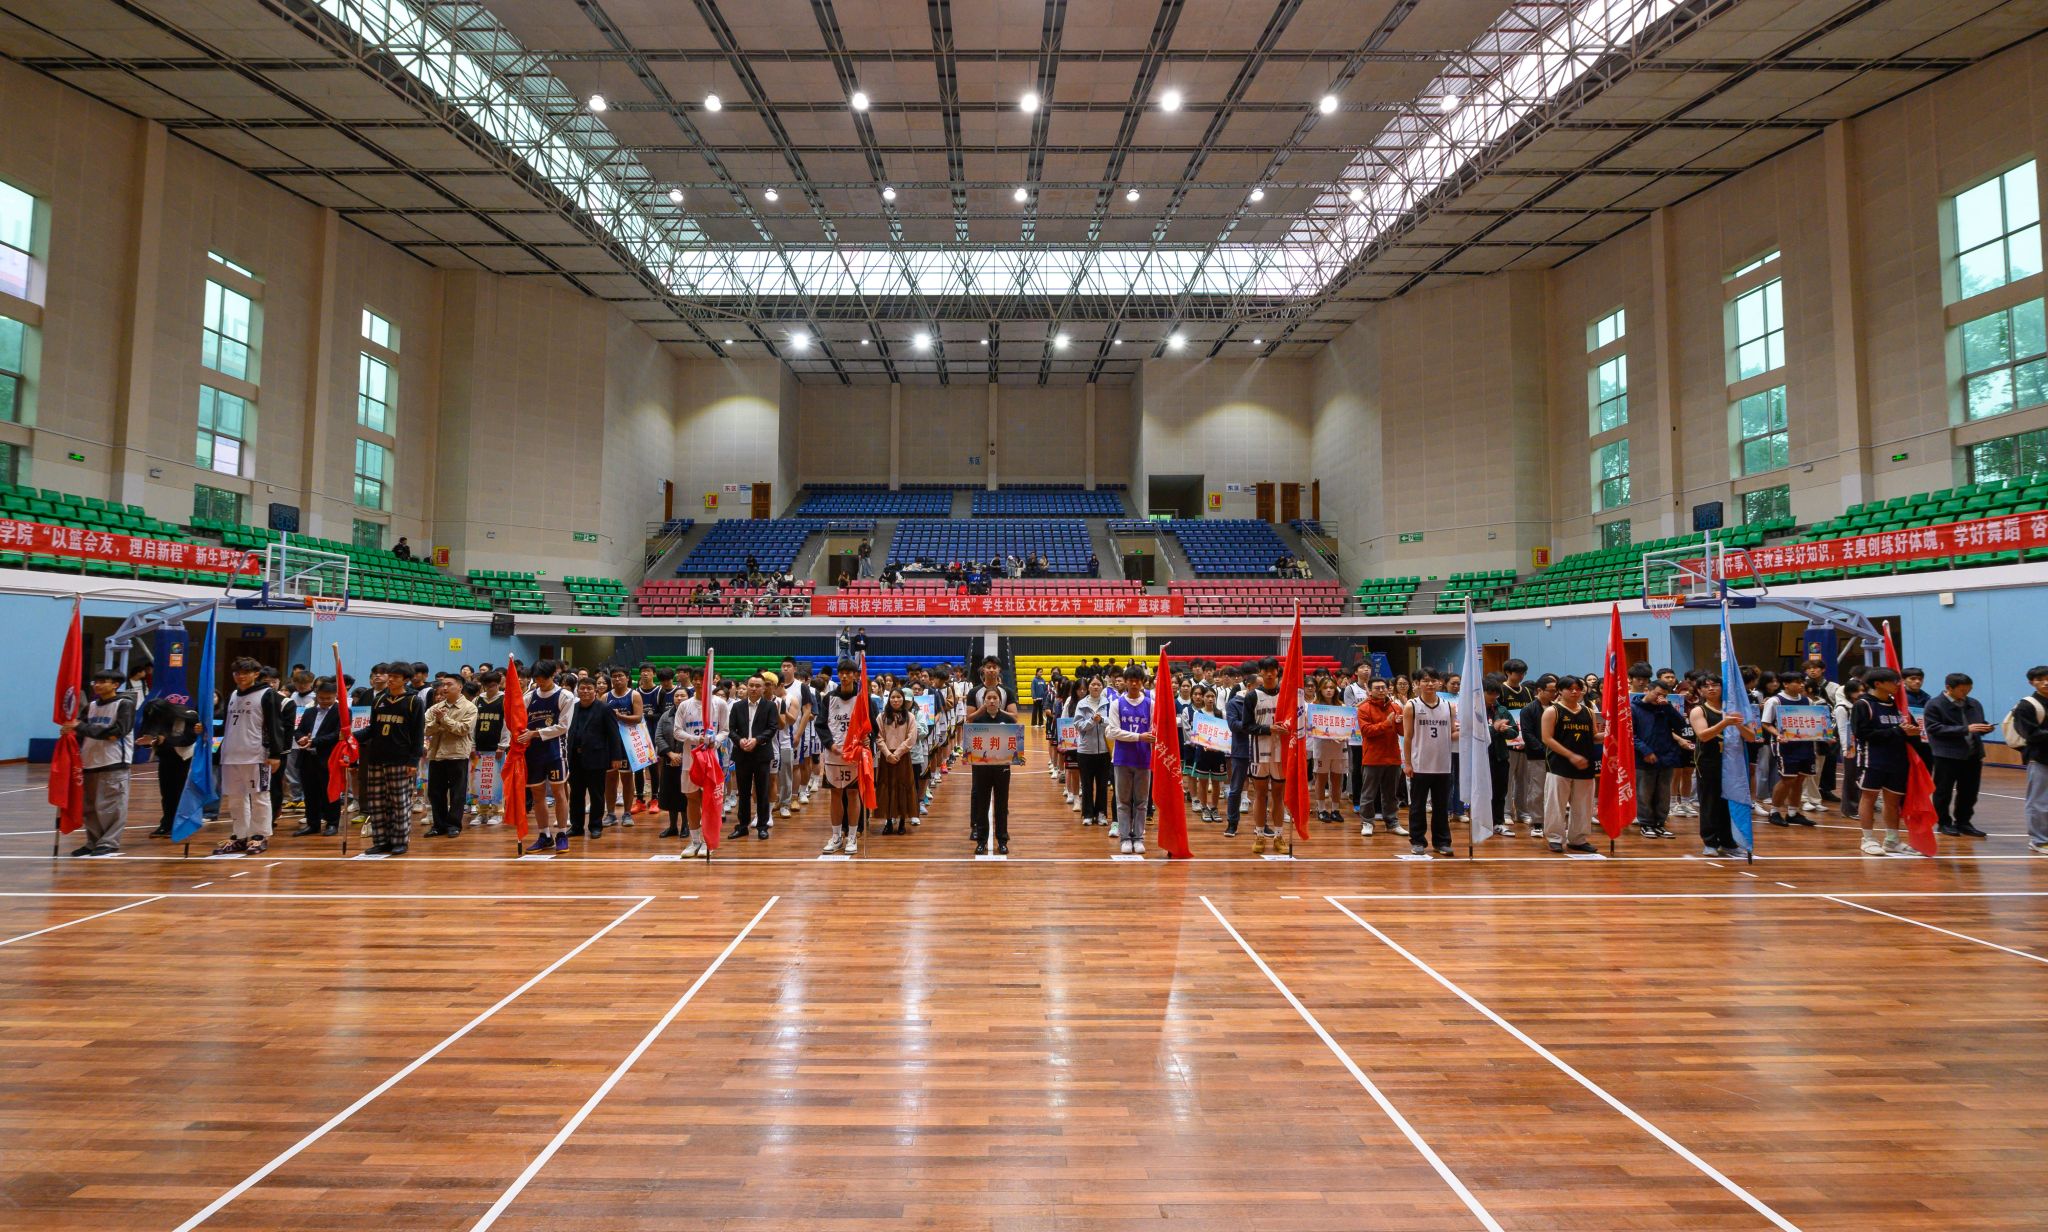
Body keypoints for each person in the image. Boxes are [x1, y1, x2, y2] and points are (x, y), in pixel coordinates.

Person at [213, 656, 289, 857]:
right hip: (231, 754)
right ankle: (240, 835)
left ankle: (259, 836)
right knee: (235, 798)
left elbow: (275, 725)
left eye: (246, 673)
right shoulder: (233, 694)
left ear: (256, 674)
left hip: (256, 755)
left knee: (259, 796)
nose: (241, 676)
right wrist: (206, 730)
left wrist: (275, 753)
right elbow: (228, 725)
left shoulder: (267, 694)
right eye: (237, 673)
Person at [1853, 666, 1920, 856]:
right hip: (1872, 758)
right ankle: (1868, 839)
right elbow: (1862, 733)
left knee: (1893, 801)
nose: (1898, 685)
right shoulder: (1863, 704)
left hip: (1897, 759)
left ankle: (1892, 840)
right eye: (1894, 681)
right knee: (1869, 797)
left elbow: (1910, 729)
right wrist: (1897, 731)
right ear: (1878, 684)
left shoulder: (1899, 705)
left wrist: (1913, 732)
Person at [68, 670, 135, 856]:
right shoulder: (90, 706)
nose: (97, 685)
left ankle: (109, 842)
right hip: (89, 761)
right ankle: (93, 841)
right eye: (95, 682)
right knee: (90, 808)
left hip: (114, 761)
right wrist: (70, 730)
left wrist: (81, 727)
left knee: (111, 806)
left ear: (115, 685)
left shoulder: (124, 704)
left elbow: (116, 733)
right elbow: (79, 729)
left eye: (103, 682)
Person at [361, 661, 424, 856]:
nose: (390, 680)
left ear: (406, 680)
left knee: (399, 802)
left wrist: (413, 761)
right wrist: (351, 736)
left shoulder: (413, 701)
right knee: (376, 802)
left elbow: (418, 734)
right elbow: (372, 729)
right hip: (376, 757)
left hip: (400, 759)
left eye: (395, 677)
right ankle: (381, 840)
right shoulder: (379, 699)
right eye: (390, 676)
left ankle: (400, 841)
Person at [1923, 672, 1992, 838]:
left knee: (1969, 791)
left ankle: (1964, 822)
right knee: (1943, 791)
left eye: (1969, 689)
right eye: (1962, 690)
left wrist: (1985, 728)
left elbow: (1978, 724)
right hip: (1947, 755)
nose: (1966, 693)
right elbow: (1933, 728)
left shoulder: (1974, 703)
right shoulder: (1934, 704)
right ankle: (1944, 823)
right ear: (1949, 688)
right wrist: (1965, 729)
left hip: (1973, 754)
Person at [518, 660, 574, 853]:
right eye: (537, 679)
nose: (539, 682)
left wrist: (534, 733)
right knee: (537, 795)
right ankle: (544, 835)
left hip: (555, 751)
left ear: (552, 676)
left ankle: (562, 834)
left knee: (559, 792)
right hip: (533, 753)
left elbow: (563, 727)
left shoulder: (565, 696)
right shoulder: (528, 697)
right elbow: (519, 723)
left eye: (543, 678)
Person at [1541, 674, 1600, 854]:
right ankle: (1555, 838)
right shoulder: (1552, 711)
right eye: (1570, 689)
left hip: (1585, 764)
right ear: (1560, 690)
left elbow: (1594, 737)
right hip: (1559, 764)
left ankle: (1578, 839)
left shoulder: (1589, 712)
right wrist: (1571, 755)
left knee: (1583, 805)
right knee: (1556, 804)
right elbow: (1547, 738)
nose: (1575, 692)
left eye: (1578, 689)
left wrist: (1611, 735)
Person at [1689, 676, 1747, 857]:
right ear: (1700, 691)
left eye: (1715, 685)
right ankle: (1710, 842)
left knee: (1728, 804)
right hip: (1708, 763)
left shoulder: (1733, 710)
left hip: (1732, 763)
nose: (1711, 688)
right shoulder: (1699, 710)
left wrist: (1738, 725)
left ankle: (1728, 842)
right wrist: (1725, 723)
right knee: (1710, 803)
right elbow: (1703, 735)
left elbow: (1752, 736)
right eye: (1706, 686)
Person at [1403, 668, 1456, 857]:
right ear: (1417, 684)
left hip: (1443, 764)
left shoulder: (1449, 706)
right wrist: (1407, 763)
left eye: (1433, 680)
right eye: (1425, 680)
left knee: (1441, 806)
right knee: (1417, 806)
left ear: (1440, 682)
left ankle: (1442, 842)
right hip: (1420, 763)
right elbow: (1407, 737)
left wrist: (1471, 730)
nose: (1430, 684)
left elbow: (1452, 733)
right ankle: (1418, 841)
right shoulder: (1411, 706)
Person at [817, 660, 867, 855]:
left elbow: (871, 724)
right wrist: (831, 744)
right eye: (841, 672)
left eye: (848, 672)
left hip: (854, 755)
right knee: (835, 794)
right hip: (833, 755)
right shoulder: (829, 698)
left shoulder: (862, 699)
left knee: (853, 794)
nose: (844, 676)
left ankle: (852, 836)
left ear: (855, 675)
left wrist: (867, 739)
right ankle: (836, 836)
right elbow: (820, 725)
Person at [1106, 665, 1155, 856]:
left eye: (1137, 680)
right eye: (1131, 680)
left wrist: (1148, 738)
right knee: (1123, 801)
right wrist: (1139, 737)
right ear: (1125, 682)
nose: (1134, 684)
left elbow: (1153, 731)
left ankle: (1139, 838)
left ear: (1142, 682)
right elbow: (1113, 732)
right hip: (1122, 758)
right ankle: (1125, 838)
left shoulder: (1150, 704)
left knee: (1142, 802)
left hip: (1143, 758)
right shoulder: (1116, 704)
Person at [1760, 672, 1819, 829]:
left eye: (1802, 682)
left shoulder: (1808, 701)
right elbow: (1766, 723)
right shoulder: (1775, 701)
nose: (1801, 685)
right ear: (1785, 684)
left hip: (1805, 744)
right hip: (1785, 745)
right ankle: (1774, 811)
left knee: (1800, 778)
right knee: (1787, 779)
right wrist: (1778, 735)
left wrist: (1825, 735)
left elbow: (1814, 722)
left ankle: (1793, 813)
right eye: (1797, 682)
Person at [137, 690, 199, 838]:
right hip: (165, 757)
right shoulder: (153, 718)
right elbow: (149, 738)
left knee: (180, 792)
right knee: (166, 793)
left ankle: (181, 823)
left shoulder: (187, 715)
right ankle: (166, 824)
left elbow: (188, 739)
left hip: (183, 758)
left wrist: (164, 740)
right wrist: (149, 742)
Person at [1631, 681, 1688, 840]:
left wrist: (1668, 707)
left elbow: (1681, 725)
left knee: (1663, 794)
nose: (1660, 698)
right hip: (1643, 758)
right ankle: (1646, 824)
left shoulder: (1665, 708)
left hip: (1666, 756)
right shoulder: (1633, 708)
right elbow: (1630, 734)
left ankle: (1660, 824)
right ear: (1646, 690)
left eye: (1664, 695)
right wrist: (1646, 751)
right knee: (1644, 793)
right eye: (1657, 694)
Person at [967, 685, 1020, 855]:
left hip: (1002, 768)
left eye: (994, 698)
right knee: (982, 805)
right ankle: (981, 841)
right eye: (988, 698)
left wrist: (1017, 756)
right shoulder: (977, 720)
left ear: (1000, 701)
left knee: (1001, 805)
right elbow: (970, 745)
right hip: (982, 769)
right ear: (984, 701)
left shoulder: (1008, 720)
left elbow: (1014, 744)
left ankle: (1002, 840)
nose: (991, 701)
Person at [422, 674, 477, 838]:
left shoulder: (470, 707)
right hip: (436, 754)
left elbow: (463, 729)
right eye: (443, 684)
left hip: (457, 754)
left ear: (460, 686)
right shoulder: (435, 708)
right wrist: (439, 722)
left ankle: (454, 825)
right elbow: (425, 729)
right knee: (435, 792)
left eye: (449, 684)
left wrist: (443, 720)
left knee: (457, 792)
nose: (445, 687)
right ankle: (438, 825)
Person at [727, 674, 779, 841]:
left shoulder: (770, 706)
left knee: (762, 791)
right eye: (751, 685)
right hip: (742, 753)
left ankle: (762, 826)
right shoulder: (737, 706)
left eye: (758, 686)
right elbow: (731, 729)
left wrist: (757, 740)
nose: (754, 688)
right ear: (746, 686)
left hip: (761, 754)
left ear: (763, 688)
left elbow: (772, 728)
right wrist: (739, 740)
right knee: (743, 792)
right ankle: (742, 826)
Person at [291, 677, 345, 837]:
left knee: (329, 792)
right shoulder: (309, 711)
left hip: (329, 758)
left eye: (328, 698)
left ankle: (332, 823)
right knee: (310, 793)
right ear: (316, 696)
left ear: (336, 696)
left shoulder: (342, 712)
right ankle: (312, 823)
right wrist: (301, 738)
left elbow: (337, 734)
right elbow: (299, 730)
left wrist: (314, 741)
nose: (324, 701)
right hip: (307, 757)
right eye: (321, 698)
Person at [565, 676, 616, 840]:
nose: (585, 691)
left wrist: (616, 757)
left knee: (596, 794)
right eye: (582, 688)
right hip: (574, 758)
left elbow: (614, 735)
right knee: (576, 794)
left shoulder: (605, 708)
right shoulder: (572, 708)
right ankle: (576, 826)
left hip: (597, 758)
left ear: (595, 691)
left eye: (589, 688)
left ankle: (595, 826)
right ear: (577, 690)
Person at [1354, 677, 1402, 836]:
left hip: (1393, 756)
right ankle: (1367, 822)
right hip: (1372, 757)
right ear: (1370, 690)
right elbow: (1366, 731)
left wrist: (1400, 723)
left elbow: (1403, 732)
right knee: (1368, 793)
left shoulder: (1396, 707)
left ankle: (1392, 822)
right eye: (1377, 688)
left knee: (1391, 794)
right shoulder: (1364, 708)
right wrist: (1387, 724)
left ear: (1388, 688)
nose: (1381, 690)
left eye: (1383, 687)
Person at [2009, 665, 2048, 855]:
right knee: (2039, 801)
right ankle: (2039, 841)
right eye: (2040, 679)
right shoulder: (2027, 705)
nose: (2045, 682)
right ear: (2031, 683)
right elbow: (2030, 734)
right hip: (2040, 758)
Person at [874, 687, 918, 835]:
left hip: (903, 757)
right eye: (893, 697)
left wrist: (897, 754)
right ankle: (888, 822)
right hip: (886, 757)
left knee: (903, 788)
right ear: (889, 699)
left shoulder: (910, 717)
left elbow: (911, 738)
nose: (896, 700)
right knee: (887, 788)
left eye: (899, 697)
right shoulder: (881, 716)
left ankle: (902, 822)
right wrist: (888, 754)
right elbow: (878, 737)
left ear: (903, 699)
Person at [1070, 674, 1112, 827]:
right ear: (1088, 687)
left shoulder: (1109, 703)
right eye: (1093, 684)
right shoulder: (1081, 704)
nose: (1095, 687)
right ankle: (1087, 814)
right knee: (1087, 785)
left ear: (1102, 687)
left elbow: (1113, 723)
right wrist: (1092, 721)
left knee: (1102, 785)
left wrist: (1101, 720)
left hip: (1104, 751)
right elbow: (1078, 725)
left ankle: (1101, 814)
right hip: (1085, 751)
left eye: (1098, 684)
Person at [470, 669, 505, 826]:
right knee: (479, 781)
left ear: (498, 684)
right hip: (479, 747)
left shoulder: (504, 699)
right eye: (487, 686)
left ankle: (497, 812)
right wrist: (472, 745)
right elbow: (472, 725)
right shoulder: (477, 700)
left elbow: (507, 725)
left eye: (493, 685)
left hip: (496, 748)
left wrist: (502, 746)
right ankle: (482, 813)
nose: (490, 689)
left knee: (496, 781)